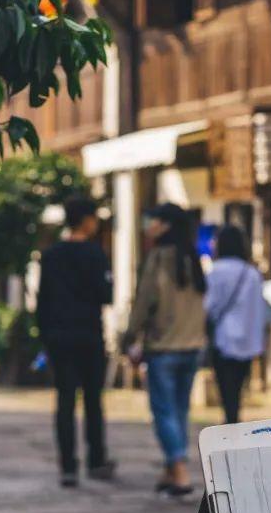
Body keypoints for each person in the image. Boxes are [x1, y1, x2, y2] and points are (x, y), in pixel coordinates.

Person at [123, 203, 206, 497]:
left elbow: (145, 301)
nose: (149, 225)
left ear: (166, 224)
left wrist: (129, 336)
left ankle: (179, 470)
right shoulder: (192, 258)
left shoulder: (159, 258)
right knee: (180, 410)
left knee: (163, 411)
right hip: (192, 345)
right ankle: (171, 470)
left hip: (164, 346)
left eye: (153, 220)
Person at [36, 196, 115, 489]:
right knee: (93, 401)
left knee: (65, 401)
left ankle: (68, 466)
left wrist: (45, 336)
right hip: (89, 334)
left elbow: (42, 300)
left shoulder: (51, 255)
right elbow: (106, 294)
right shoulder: (95, 254)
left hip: (59, 337)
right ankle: (96, 460)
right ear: (86, 220)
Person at [205, 225, 265, 424]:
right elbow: (258, 309)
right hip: (247, 341)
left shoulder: (216, 271)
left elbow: (209, 306)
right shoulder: (252, 274)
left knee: (226, 389)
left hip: (223, 339)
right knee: (238, 388)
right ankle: (233, 421)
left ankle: (230, 422)